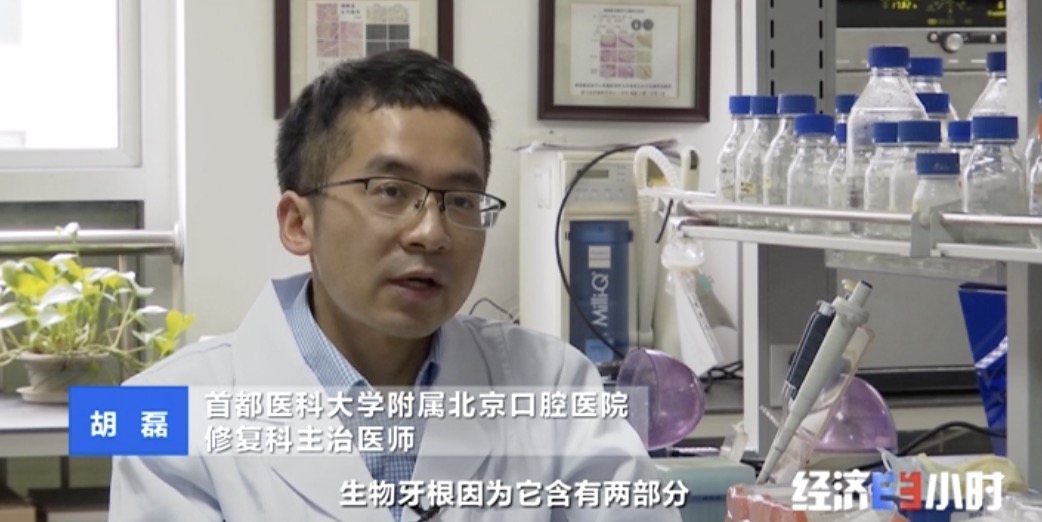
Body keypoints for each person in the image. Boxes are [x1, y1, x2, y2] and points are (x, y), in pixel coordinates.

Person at [108, 49, 681, 522]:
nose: (431, 233)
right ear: (298, 222)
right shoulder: (161, 412)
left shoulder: (553, 384)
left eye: (462, 200)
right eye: (390, 191)